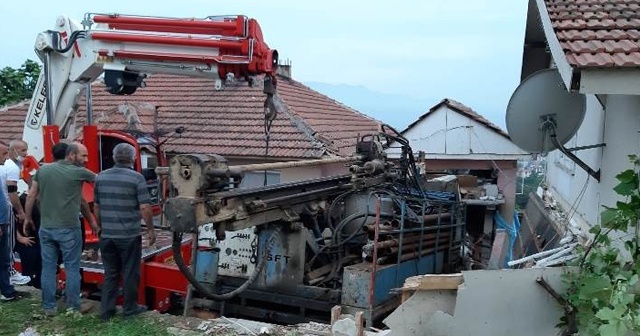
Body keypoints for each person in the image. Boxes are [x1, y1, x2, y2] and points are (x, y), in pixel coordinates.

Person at [24, 142, 98, 316]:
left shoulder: (43, 170)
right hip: (69, 228)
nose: (86, 160)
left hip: (46, 228)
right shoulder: (78, 172)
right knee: (72, 267)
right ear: (71, 155)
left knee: (48, 268)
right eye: (83, 156)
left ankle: (49, 307)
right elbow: (101, 184)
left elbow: (32, 195)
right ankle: (73, 306)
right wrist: (93, 221)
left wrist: (27, 218)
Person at [94, 143, 155, 321]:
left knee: (110, 273)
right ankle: (129, 309)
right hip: (128, 235)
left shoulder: (100, 177)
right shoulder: (137, 178)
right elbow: (144, 207)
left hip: (107, 235)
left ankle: (106, 311)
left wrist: (100, 226)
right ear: (133, 158)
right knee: (130, 272)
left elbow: (97, 206)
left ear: (114, 158)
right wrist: (150, 230)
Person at [14, 142, 70, 289]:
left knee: (46, 268)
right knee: (33, 269)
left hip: (43, 241)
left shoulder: (45, 200)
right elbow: (11, 220)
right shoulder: (22, 200)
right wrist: (20, 237)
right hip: (31, 244)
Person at [0, 139, 31, 286]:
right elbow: (12, 191)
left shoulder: (6, 165)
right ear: (14, 151)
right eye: (23, 150)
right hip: (7, 208)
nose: (25, 154)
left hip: (6, 207)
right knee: (8, 243)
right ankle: (11, 272)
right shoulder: (12, 167)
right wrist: (20, 211)